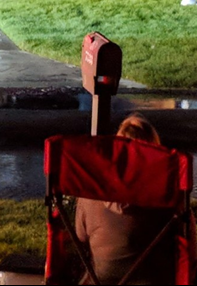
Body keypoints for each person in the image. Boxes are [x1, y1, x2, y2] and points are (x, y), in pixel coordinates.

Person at [75, 114, 176, 285]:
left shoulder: (92, 193)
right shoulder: (166, 194)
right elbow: (187, 249)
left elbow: (80, 235)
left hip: (102, 279)